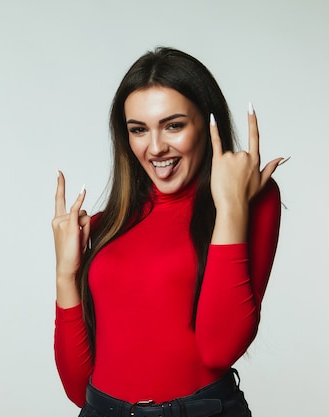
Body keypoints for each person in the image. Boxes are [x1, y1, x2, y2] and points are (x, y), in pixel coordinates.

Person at [52, 47, 285, 417]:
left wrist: (231, 206)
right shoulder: (106, 225)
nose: (156, 147)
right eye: (139, 130)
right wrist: (66, 274)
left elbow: (219, 348)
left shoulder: (251, 199)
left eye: (173, 125)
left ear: (207, 124)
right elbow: (78, 388)